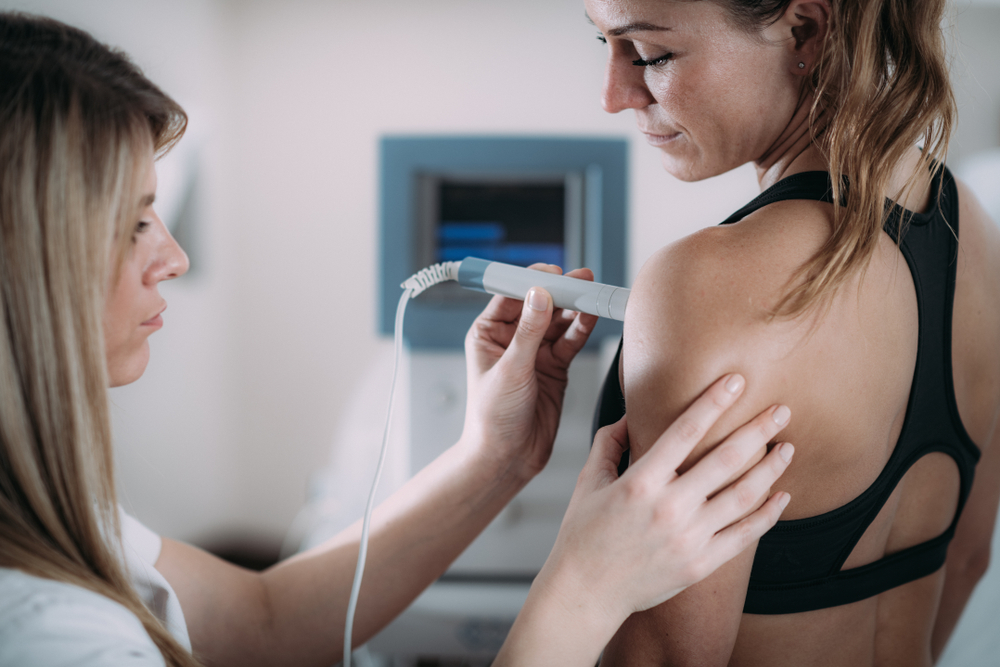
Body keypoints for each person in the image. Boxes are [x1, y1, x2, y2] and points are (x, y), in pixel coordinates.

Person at [0, 12, 797, 667]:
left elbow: (264, 622)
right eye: (136, 220)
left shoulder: (49, 527)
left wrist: (496, 455)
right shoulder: (43, 635)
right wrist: (584, 588)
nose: (173, 257)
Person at [586, 0, 1000, 664]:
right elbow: (970, 558)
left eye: (650, 55)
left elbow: (662, 657)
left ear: (805, 30)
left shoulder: (702, 285)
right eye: (602, 43)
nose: (613, 95)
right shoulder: (970, 225)